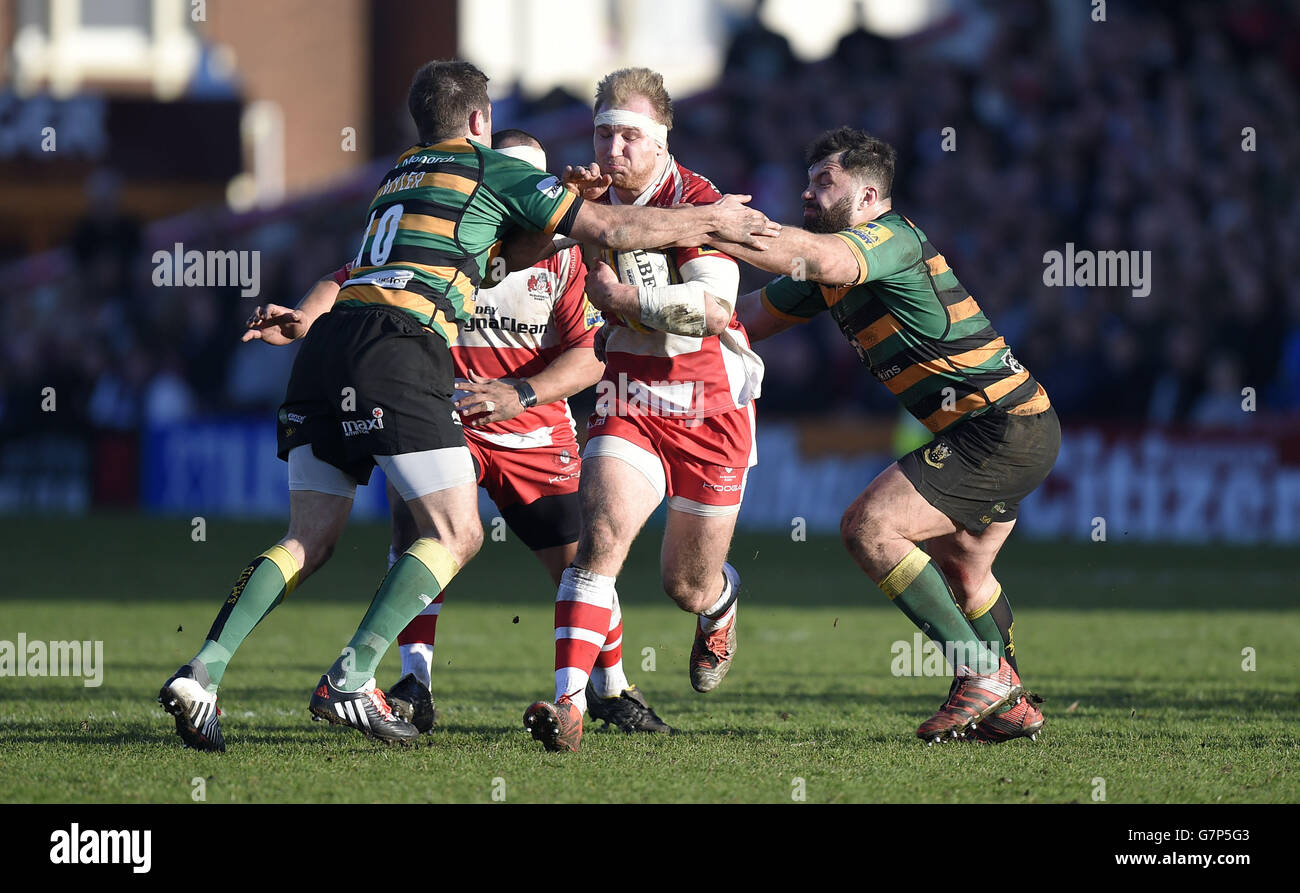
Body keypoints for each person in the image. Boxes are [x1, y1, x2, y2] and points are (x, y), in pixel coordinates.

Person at [157, 59, 777, 751]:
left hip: (327, 355)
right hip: (400, 353)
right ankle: (355, 676)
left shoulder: (399, 175)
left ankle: (203, 671)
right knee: (455, 534)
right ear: (481, 122)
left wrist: (304, 315)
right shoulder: (494, 170)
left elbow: (371, 269)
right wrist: (714, 217)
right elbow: (616, 228)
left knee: (308, 538)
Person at [244, 130, 671, 736]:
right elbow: (350, 277)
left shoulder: (567, 259)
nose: (528, 196)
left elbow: (591, 355)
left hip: (531, 423)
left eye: (538, 185)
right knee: (420, 530)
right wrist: (307, 316)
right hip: (436, 408)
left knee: (578, 557)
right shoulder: (447, 238)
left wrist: (519, 394)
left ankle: (608, 687)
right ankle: (413, 681)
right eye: (513, 182)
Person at [721, 127, 1059, 743]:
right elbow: (741, 319)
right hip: (1010, 424)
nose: (808, 194)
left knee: (869, 527)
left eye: (825, 182)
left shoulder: (891, 238)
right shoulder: (829, 269)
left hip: (1001, 425)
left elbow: (822, 258)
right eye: (809, 181)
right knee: (966, 568)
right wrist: (646, 306)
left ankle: (980, 673)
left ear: (870, 192)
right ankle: (1009, 704)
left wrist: (719, 226)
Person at [523, 68, 765, 752]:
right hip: (628, 396)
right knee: (597, 541)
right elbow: (507, 257)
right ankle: (570, 705)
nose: (614, 149)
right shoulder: (582, 196)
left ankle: (718, 601)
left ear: (661, 141)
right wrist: (559, 214)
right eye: (603, 133)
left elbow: (713, 311)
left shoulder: (701, 201)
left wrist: (626, 303)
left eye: (631, 135)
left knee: (683, 583)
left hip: (711, 405)